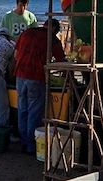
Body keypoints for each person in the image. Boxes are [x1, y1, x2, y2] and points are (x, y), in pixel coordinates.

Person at [14, 18, 66, 154]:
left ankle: (23, 142)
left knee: (22, 110)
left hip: (20, 75)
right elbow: (62, 61)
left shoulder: (27, 32)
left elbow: (16, 54)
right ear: (54, 29)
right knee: (34, 112)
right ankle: (32, 146)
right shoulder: (52, 39)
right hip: (35, 76)